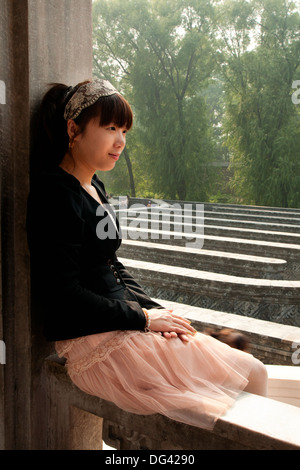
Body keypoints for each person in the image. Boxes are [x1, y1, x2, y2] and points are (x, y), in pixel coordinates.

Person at [27, 78, 268, 431]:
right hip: (94, 342)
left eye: (124, 130)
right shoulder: (54, 195)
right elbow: (64, 295)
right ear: (73, 129)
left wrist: (153, 311)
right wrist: (143, 320)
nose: (120, 141)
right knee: (250, 374)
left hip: (121, 323)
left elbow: (112, 265)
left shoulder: (93, 185)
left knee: (246, 371)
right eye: (110, 128)